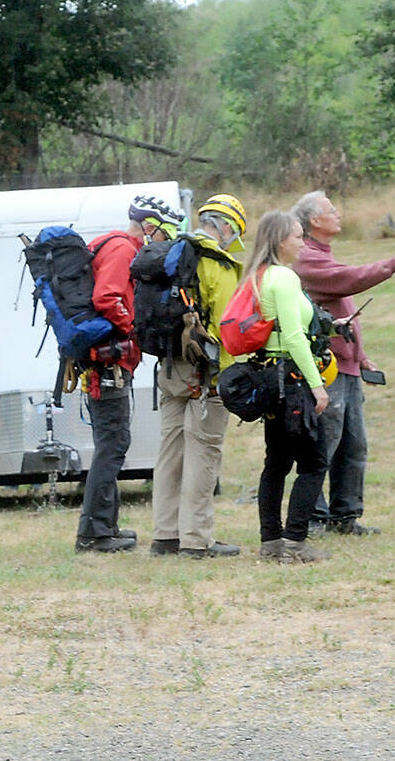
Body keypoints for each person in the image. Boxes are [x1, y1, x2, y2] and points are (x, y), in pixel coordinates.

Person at [291, 190, 395, 536]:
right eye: (332, 210)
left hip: (345, 365)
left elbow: (342, 305)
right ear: (315, 221)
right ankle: (313, 518)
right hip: (324, 369)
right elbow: (353, 280)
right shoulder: (306, 258)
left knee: (352, 443)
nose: (339, 214)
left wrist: (359, 356)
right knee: (323, 444)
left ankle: (345, 518)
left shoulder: (320, 255)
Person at [241, 211, 347, 563]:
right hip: (291, 380)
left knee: (277, 461)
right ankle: (296, 543)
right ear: (280, 241)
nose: (303, 242)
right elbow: (293, 336)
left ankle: (271, 542)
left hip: (270, 378)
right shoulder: (283, 277)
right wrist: (317, 386)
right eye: (298, 236)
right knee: (315, 461)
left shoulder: (258, 275)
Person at [149, 193, 244, 559]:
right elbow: (226, 325)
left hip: (169, 366)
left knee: (170, 450)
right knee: (203, 451)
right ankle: (196, 539)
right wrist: (232, 372)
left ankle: (165, 535)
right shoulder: (215, 263)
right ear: (226, 226)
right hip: (205, 370)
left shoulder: (173, 251)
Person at [73, 211, 149, 554]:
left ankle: (108, 525)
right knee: (112, 445)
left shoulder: (106, 244)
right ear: (150, 226)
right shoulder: (122, 249)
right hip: (110, 365)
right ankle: (94, 533)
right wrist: (132, 330)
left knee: (112, 443)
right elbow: (107, 298)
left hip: (100, 365)